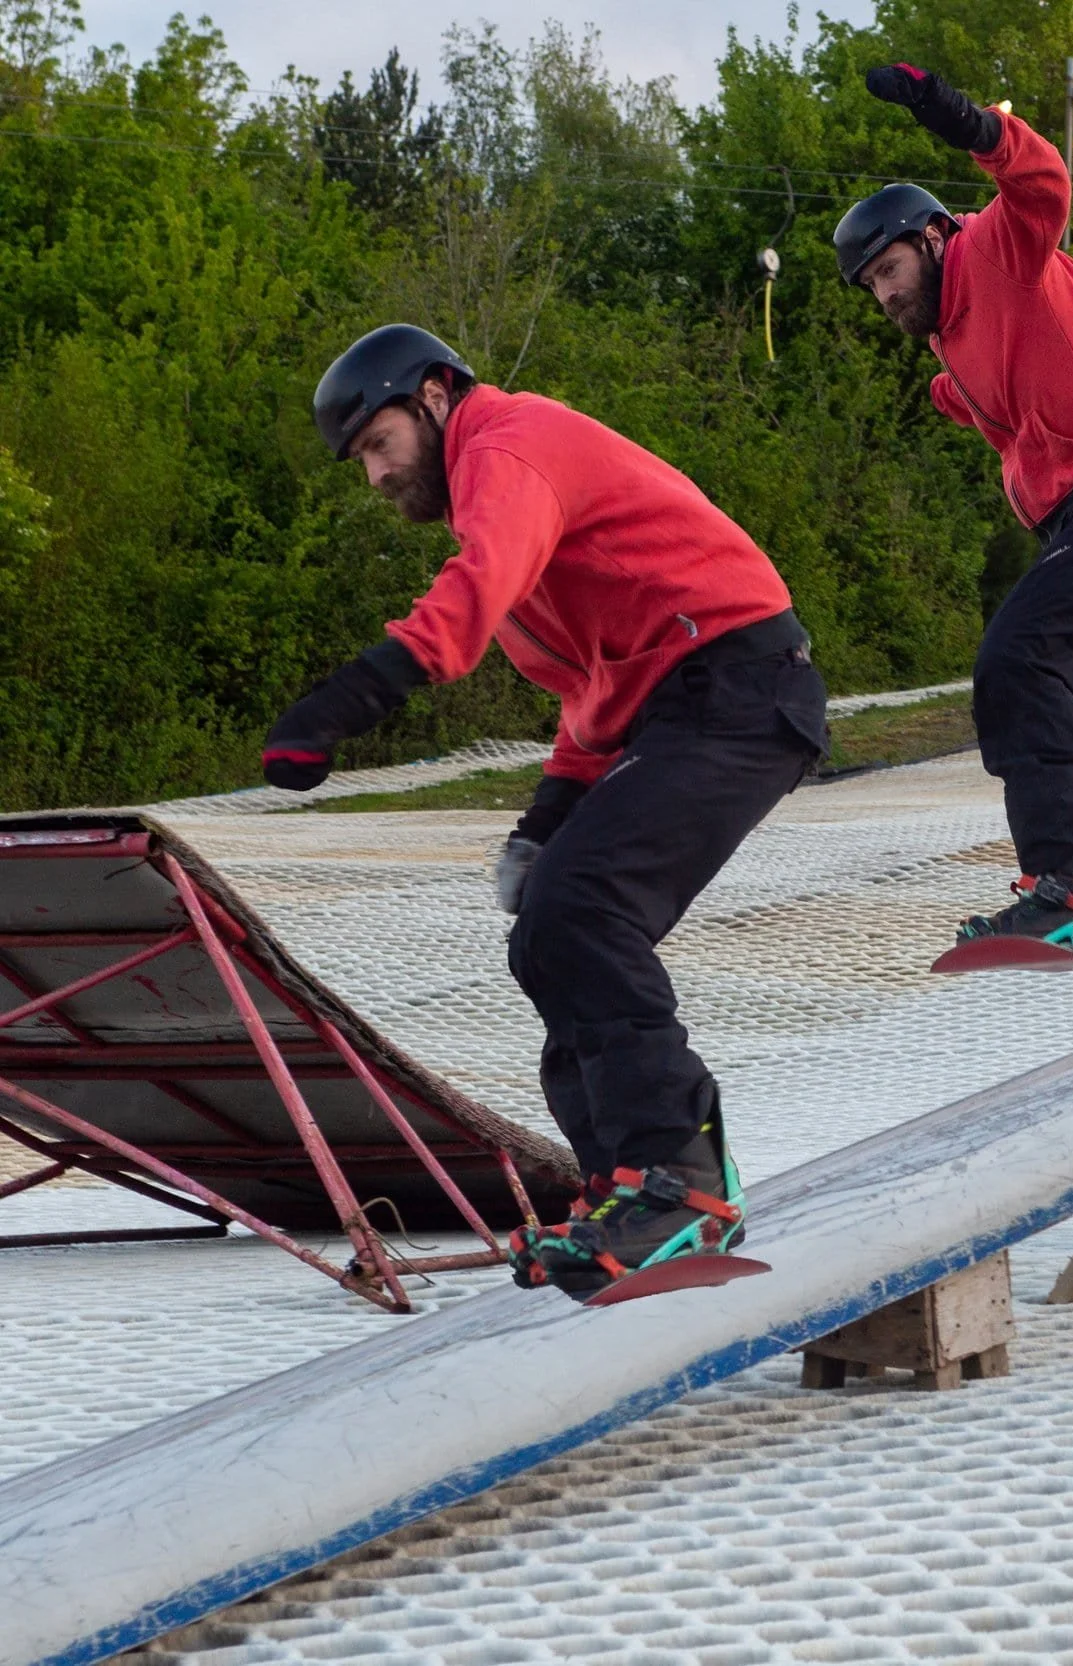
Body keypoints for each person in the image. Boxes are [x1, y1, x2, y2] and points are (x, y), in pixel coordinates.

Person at [266, 323, 828, 1298]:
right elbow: (594, 689)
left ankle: (679, 1183)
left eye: (378, 445)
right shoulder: (501, 500)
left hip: (740, 690)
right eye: (360, 461)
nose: (374, 477)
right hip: (683, 708)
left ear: (434, 396)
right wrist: (547, 814)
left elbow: (471, 597)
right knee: (547, 932)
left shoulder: (508, 445)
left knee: (584, 909)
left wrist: (350, 699)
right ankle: (626, 1189)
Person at [835, 63, 1073, 955]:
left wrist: (952, 113)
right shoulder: (954, 342)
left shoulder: (996, 249)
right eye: (871, 287)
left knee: (1017, 663)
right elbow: (992, 396)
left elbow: (1041, 177)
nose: (886, 294)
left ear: (934, 237)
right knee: (1033, 686)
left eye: (890, 268)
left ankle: (1071, 887)